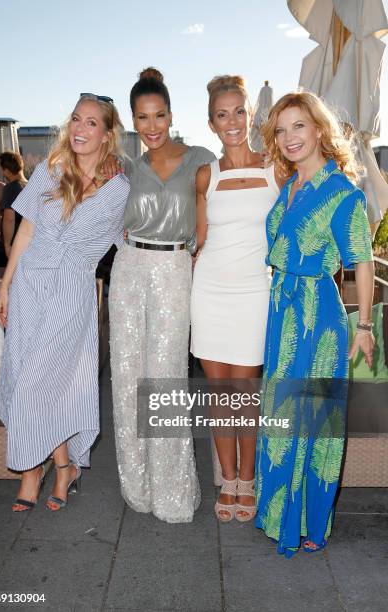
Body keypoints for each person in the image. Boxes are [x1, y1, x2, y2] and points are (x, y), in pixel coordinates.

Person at [0, 94, 129, 512]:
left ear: (107, 134)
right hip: (30, 285)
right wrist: (5, 285)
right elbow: (26, 233)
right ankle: (59, 466)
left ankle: (37, 472)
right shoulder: (49, 172)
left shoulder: (120, 187)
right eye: (75, 119)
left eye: (91, 123)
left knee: (44, 380)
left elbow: (131, 244)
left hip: (72, 291)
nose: (79, 129)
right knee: (27, 378)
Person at [254, 92, 374, 556]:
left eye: (298, 126)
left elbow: (361, 262)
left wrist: (363, 326)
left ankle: (311, 523)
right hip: (282, 312)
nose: (289, 138)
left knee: (315, 422)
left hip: (318, 318)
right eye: (281, 130)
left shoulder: (342, 192)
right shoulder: (289, 188)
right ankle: (282, 513)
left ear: (320, 129)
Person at [109, 67, 215, 523]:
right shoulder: (128, 167)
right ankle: (137, 487)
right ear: (133, 120)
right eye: (141, 118)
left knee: (166, 378)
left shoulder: (199, 159)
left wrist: (195, 262)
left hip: (174, 268)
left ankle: (173, 491)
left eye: (158, 116)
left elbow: (206, 223)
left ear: (171, 115)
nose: (151, 126)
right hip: (129, 268)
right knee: (128, 378)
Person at [190, 75, 280, 522]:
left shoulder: (274, 168)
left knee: (245, 394)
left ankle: (250, 478)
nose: (232, 121)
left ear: (251, 114)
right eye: (222, 114)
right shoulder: (206, 174)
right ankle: (229, 481)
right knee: (220, 396)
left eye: (239, 111)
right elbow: (199, 240)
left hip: (253, 293)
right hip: (209, 291)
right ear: (211, 123)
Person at [0, 151, 27, 257]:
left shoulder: (11, 188)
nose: (1, 172)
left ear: (6, 170)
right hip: (31, 243)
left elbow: (9, 218)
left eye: (1, 169)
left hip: (17, 243)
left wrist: (7, 245)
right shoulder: (31, 186)